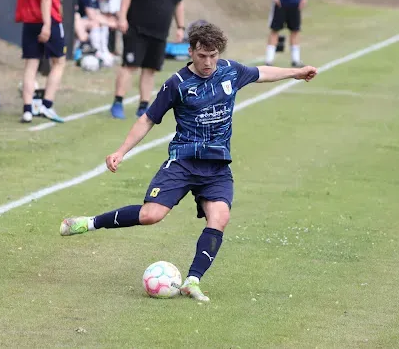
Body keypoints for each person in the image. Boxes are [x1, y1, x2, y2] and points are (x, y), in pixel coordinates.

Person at [60, 23, 318, 302]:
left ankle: (192, 281)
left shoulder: (230, 70)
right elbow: (148, 118)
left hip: (217, 165)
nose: (208, 62)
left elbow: (261, 72)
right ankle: (89, 223)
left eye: (213, 55)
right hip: (183, 161)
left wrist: (296, 72)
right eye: (202, 56)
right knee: (151, 215)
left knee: (220, 217)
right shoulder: (177, 84)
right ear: (191, 51)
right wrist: (121, 151)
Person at [111, 0, 185, 120]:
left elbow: (178, 3)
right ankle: (117, 102)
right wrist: (122, 17)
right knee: (130, 66)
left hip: (160, 34)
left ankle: (143, 105)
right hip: (137, 31)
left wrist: (180, 27)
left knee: (150, 69)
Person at [16, 0, 67, 123]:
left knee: (31, 64)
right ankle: (47, 104)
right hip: (47, 20)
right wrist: (46, 24)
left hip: (29, 21)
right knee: (59, 62)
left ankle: (27, 109)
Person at [76, 0, 117, 65]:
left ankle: (104, 50)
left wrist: (109, 21)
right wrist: (110, 23)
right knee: (96, 24)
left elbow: (97, 14)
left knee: (102, 23)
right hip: (77, 21)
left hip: (84, 20)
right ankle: (97, 50)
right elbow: (92, 15)